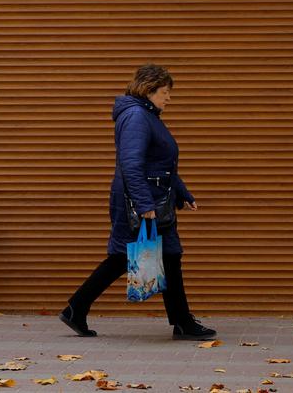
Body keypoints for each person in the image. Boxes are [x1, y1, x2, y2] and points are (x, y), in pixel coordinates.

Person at [60, 64, 216, 340]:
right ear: (149, 89)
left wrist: (183, 193)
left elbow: (162, 165)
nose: (169, 98)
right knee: (140, 256)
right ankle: (182, 323)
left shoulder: (147, 115)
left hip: (154, 199)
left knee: (154, 256)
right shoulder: (136, 116)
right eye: (165, 92)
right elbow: (131, 165)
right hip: (140, 202)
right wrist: (145, 206)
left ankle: (77, 308)